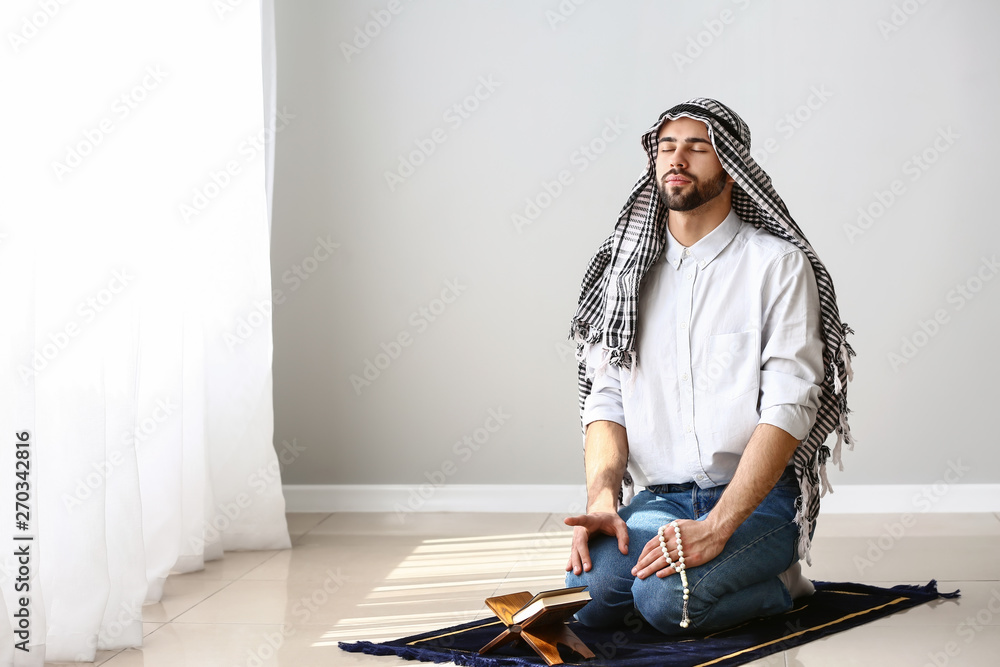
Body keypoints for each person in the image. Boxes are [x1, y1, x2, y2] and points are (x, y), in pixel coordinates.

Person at [563, 98, 855, 635]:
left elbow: (790, 406)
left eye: (698, 147)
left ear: (732, 166)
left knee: (661, 600)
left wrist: (719, 527)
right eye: (666, 147)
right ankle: (715, 577)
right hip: (659, 500)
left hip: (757, 502)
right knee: (589, 598)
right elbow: (605, 400)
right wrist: (603, 500)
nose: (678, 158)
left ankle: (781, 583)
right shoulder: (624, 275)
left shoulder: (777, 266)